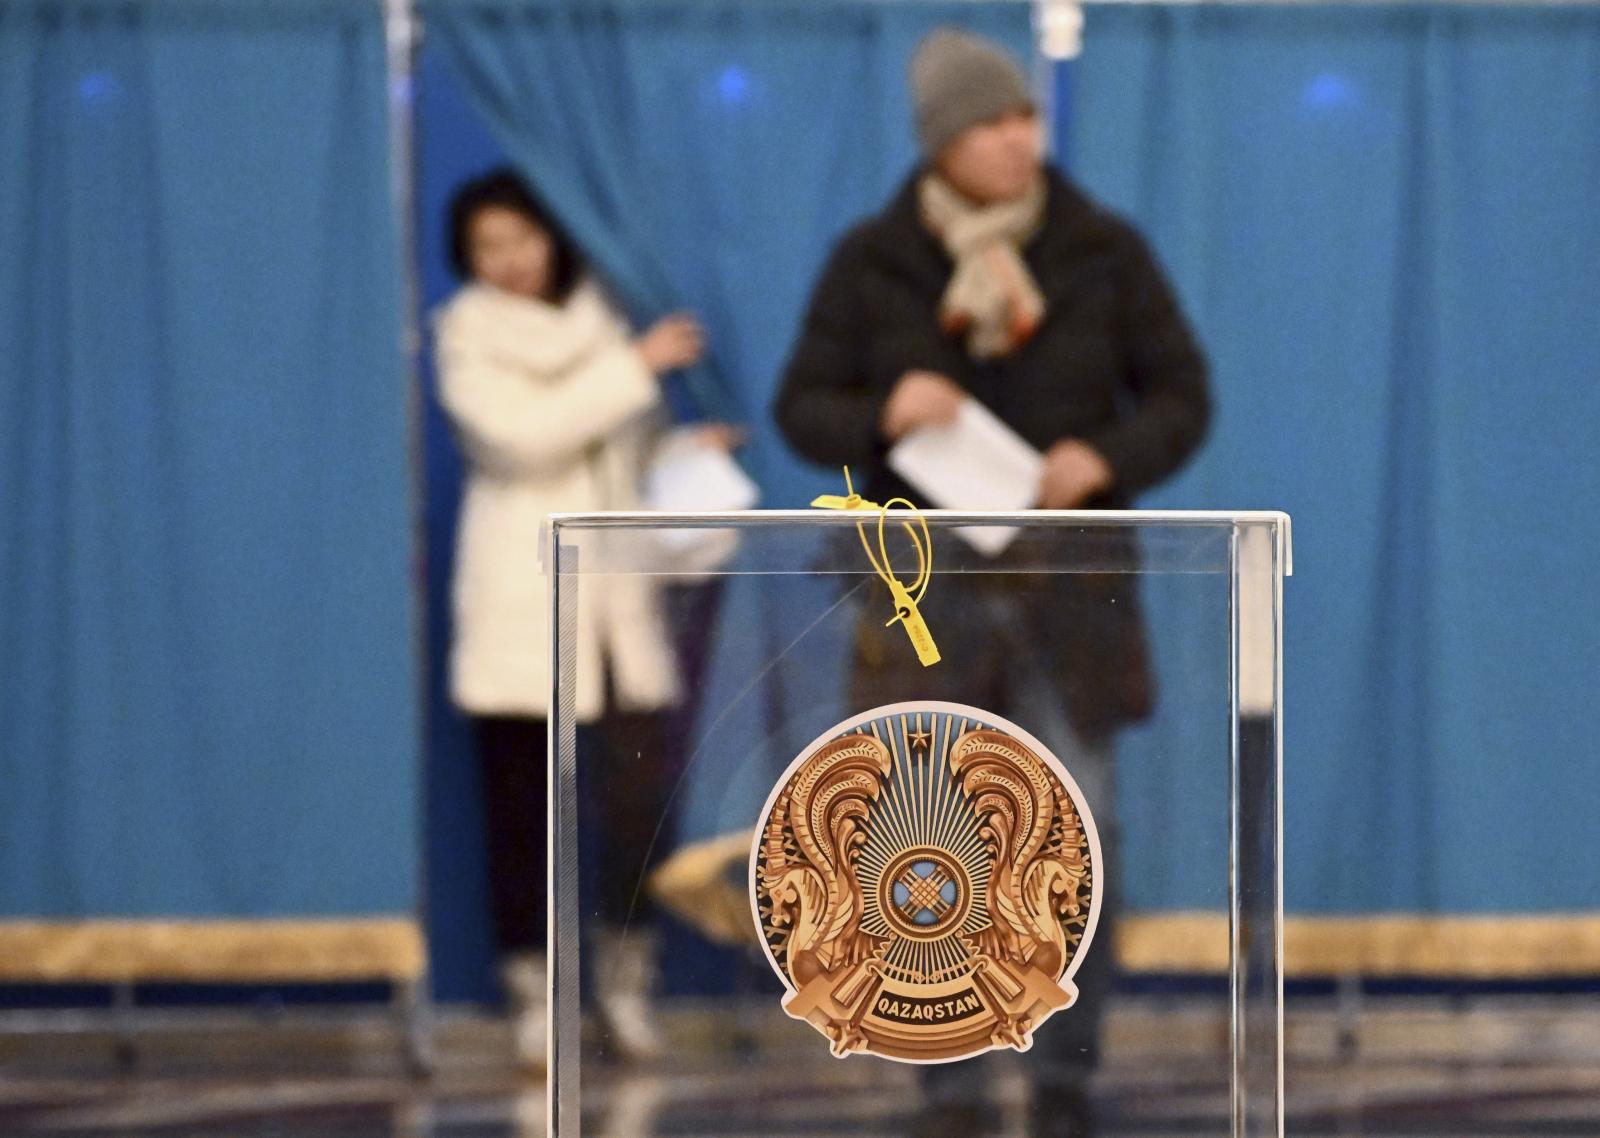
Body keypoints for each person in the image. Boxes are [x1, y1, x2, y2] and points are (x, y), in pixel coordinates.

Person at [775, 29, 1211, 1138]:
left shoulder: (1102, 250)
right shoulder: (872, 261)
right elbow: (801, 409)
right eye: (991, 122)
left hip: (1074, 595)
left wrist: (1105, 459)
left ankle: (1065, 1073)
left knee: (1076, 834)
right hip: (927, 602)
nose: (1020, 138)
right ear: (940, 144)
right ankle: (948, 1081)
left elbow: (1182, 394)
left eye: (1025, 117)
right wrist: (883, 415)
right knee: (926, 842)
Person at [435, 168, 727, 1067]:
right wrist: (635, 369)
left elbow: (621, 452)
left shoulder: (609, 321)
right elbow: (521, 439)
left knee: (638, 812)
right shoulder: (468, 335)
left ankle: (625, 985)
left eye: (522, 238)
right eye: (489, 246)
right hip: (524, 610)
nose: (511, 261)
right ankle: (534, 997)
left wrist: (686, 452)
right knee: (523, 815)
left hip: (618, 611)